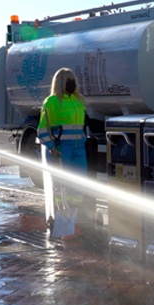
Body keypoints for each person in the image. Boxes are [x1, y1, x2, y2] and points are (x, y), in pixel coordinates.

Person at [37, 68, 89, 238]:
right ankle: (64, 215)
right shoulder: (52, 102)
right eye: (68, 79)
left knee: (79, 182)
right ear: (60, 83)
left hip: (78, 147)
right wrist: (51, 147)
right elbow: (42, 129)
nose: (72, 82)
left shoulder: (79, 100)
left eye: (73, 79)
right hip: (60, 149)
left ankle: (74, 214)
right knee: (62, 185)